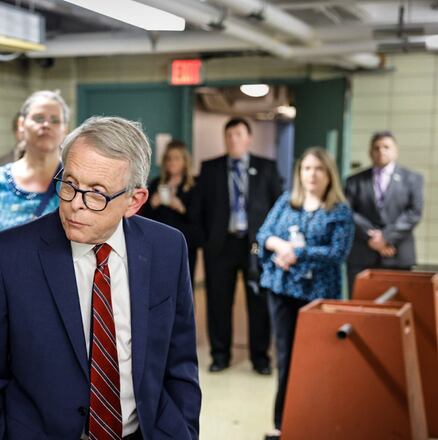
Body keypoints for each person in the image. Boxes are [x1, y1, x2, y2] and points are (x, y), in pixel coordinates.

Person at [0, 116, 201, 439]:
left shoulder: (167, 248)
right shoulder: (6, 257)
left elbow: (180, 360)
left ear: (134, 201)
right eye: (70, 184)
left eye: (96, 194)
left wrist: (182, 430)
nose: (76, 205)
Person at [256, 147, 354, 440]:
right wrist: (279, 246)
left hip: (318, 296)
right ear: (300, 173)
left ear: (329, 174)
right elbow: (263, 234)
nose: (312, 174)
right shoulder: (288, 201)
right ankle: (282, 422)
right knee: (286, 357)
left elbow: (338, 252)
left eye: (318, 169)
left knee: (317, 358)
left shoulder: (340, 210)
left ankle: (317, 418)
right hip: (282, 289)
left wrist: (297, 252)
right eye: (307, 168)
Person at [0, 90, 70, 315]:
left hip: (58, 303)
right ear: (21, 125)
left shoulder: (74, 185)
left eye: (55, 120)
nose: (46, 125)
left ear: (65, 129)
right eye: (38, 118)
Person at [193, 117, 282, 375]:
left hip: (255, 246)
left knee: (258, 303)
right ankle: (220, 355)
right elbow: (199, 209)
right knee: (218, 303)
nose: (233, 140)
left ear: (248, 138)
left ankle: (260, 357)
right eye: (229, 135)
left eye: (238, 135)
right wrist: (206, 241)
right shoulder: (210, 168)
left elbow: (278, 209)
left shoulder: (266, 168)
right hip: (221, 246)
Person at [344, 131, 423, 293]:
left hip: (397, 255)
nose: (381, 151)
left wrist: (386, 237)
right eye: (376, 147)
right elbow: (347, 212)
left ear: (396, 151)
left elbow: (414, 213)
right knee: (362, 308)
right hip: (362, 255)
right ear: (370, 152)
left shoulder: (413, 179)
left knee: (396, 311)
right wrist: (372, 236)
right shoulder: (354, 181)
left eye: (386, 147)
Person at [140, 139, 201, 285]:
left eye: (176, 158)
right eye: (168, 158)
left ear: (185, 161)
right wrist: (152, 204)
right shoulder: (156, 184)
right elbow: (144, 218)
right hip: (159, 244)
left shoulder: (195, 185)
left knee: (184, 284)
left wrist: (181, 208)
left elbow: (199, 217)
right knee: (159, 283)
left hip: (185, 245)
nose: (171, 162)